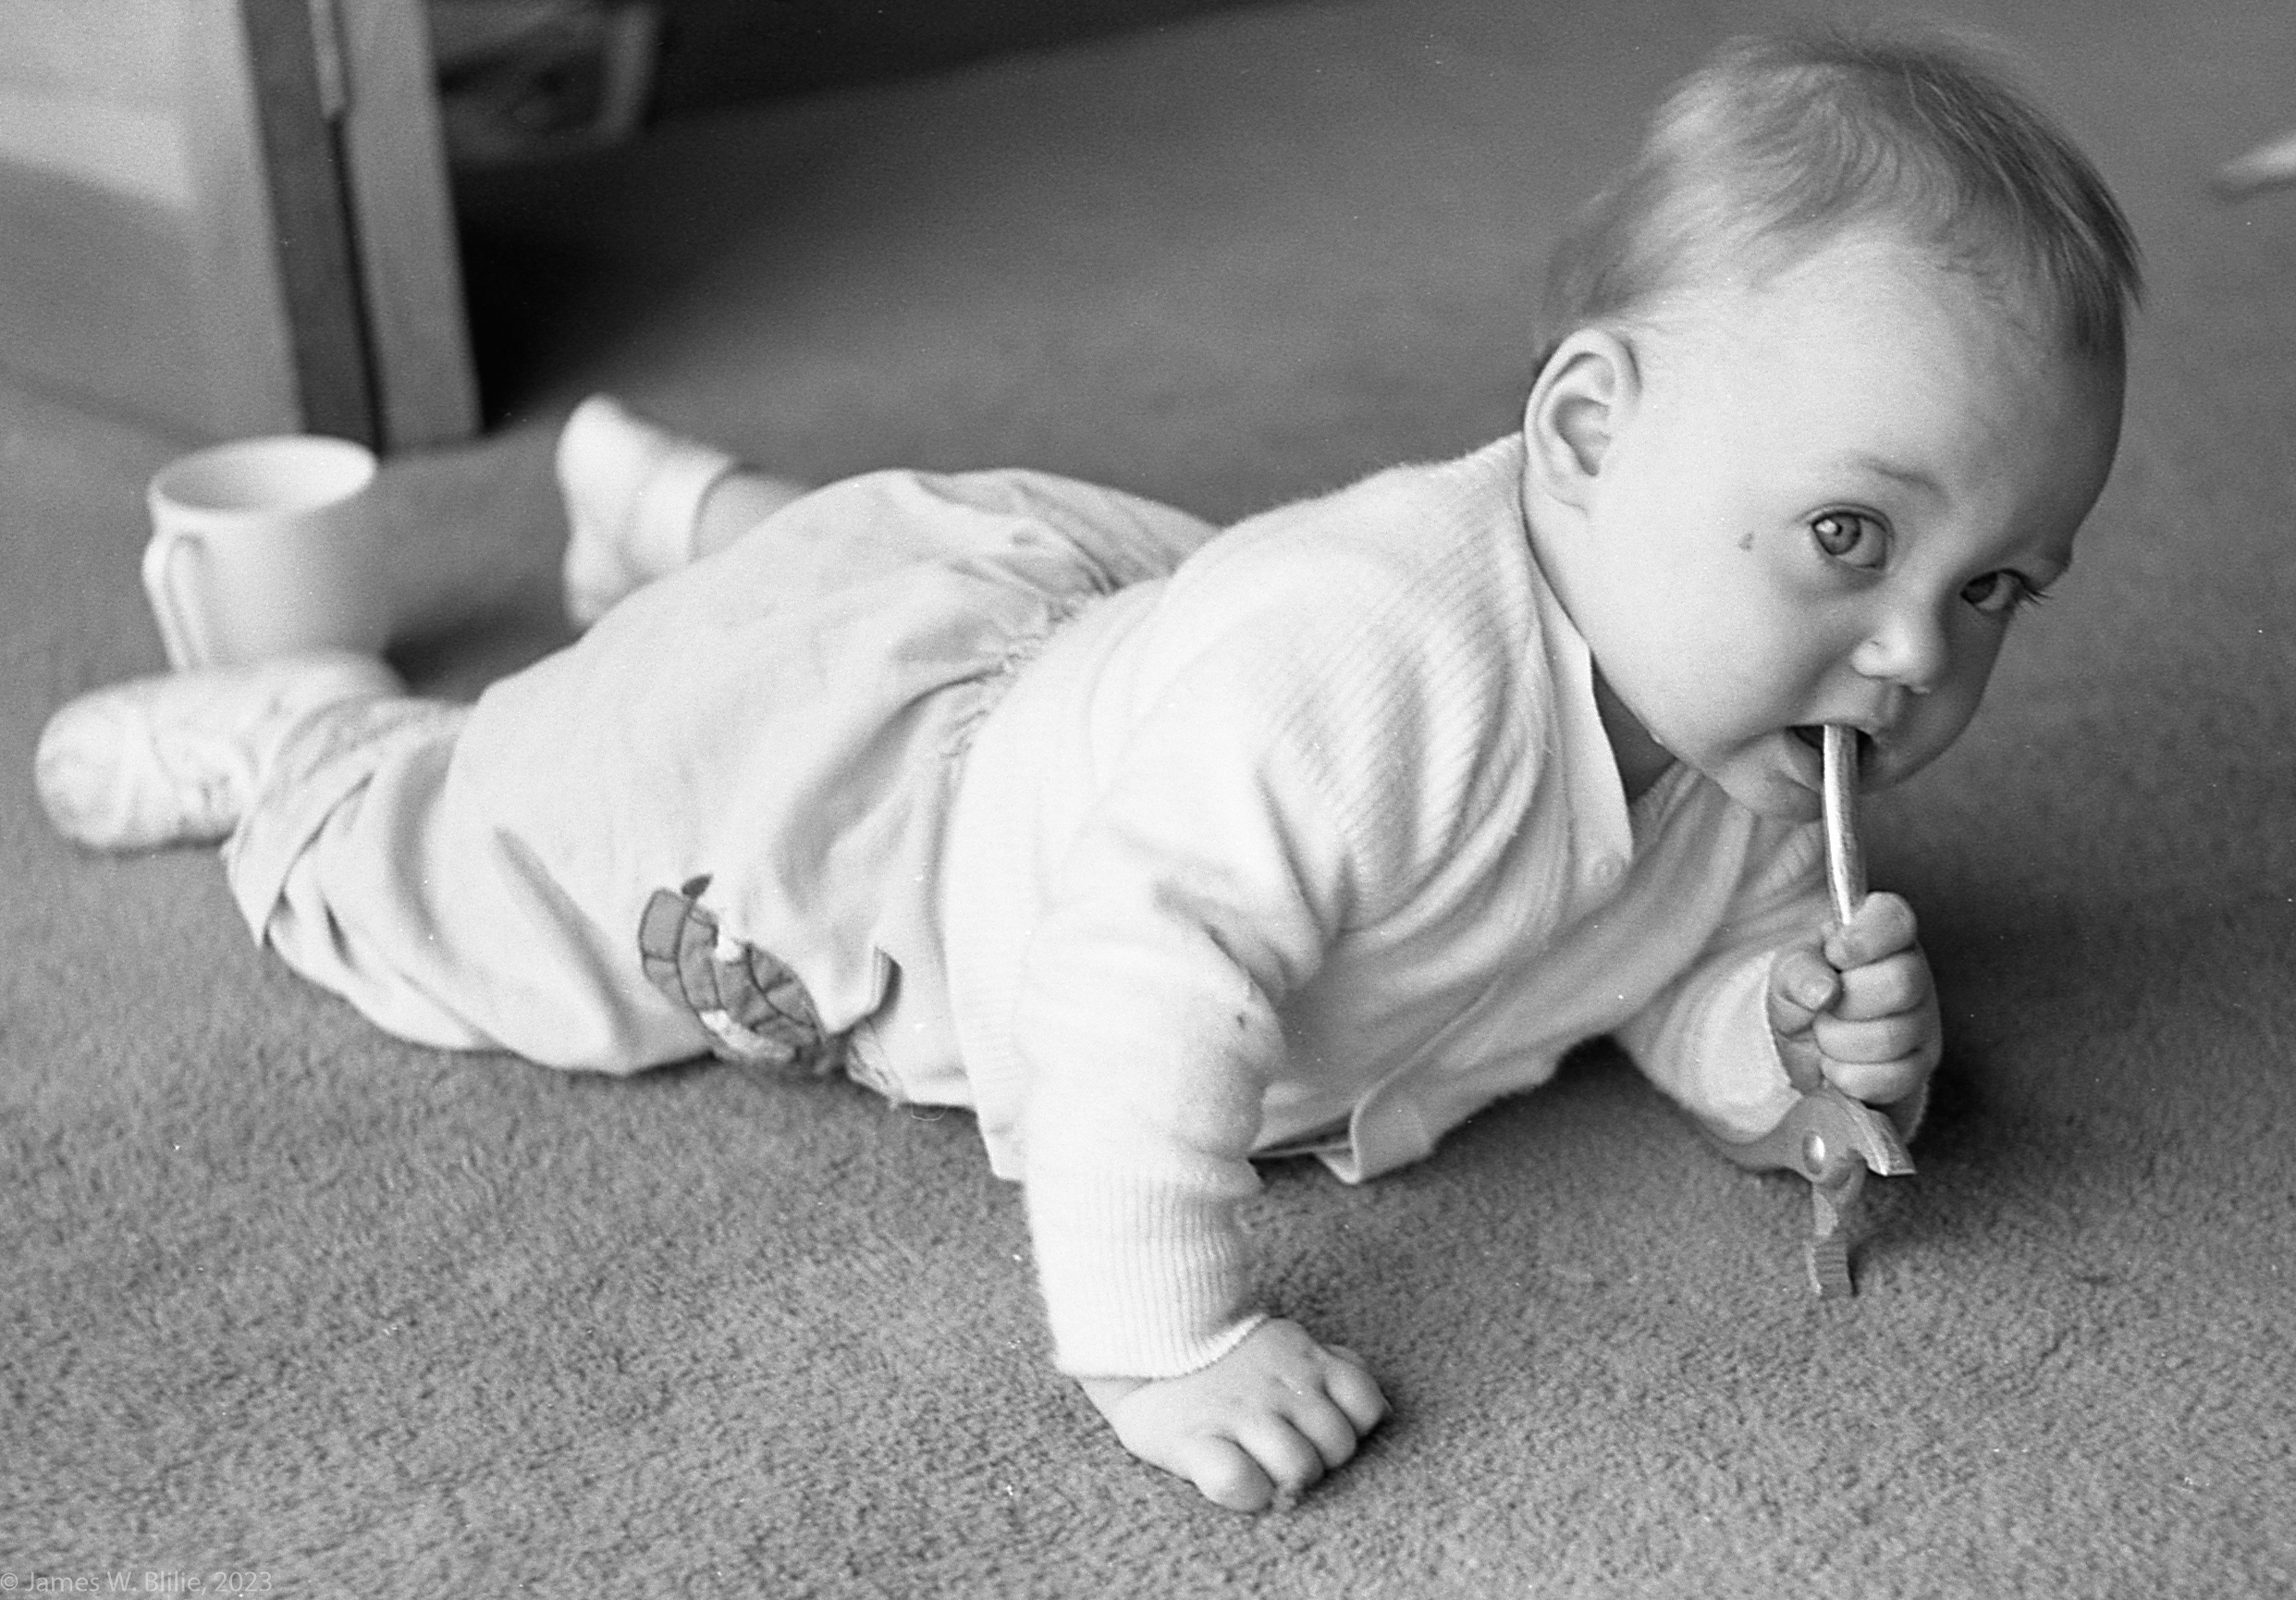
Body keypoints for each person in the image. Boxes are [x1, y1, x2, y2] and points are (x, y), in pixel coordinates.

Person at [35, 28, 2141, 1512]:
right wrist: (1168, 1339)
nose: (1914, 652)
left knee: (966, 597)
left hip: (1125, 643)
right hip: (903, 815)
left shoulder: (1759, 746)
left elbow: (1657, 967)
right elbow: (1137, 979)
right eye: (1852, 535)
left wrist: (1792, 1050)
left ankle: (687, 518)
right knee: (529, 892)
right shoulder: (1364, 672)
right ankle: (322, 743)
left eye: (1995, 589)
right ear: (1587, 434)